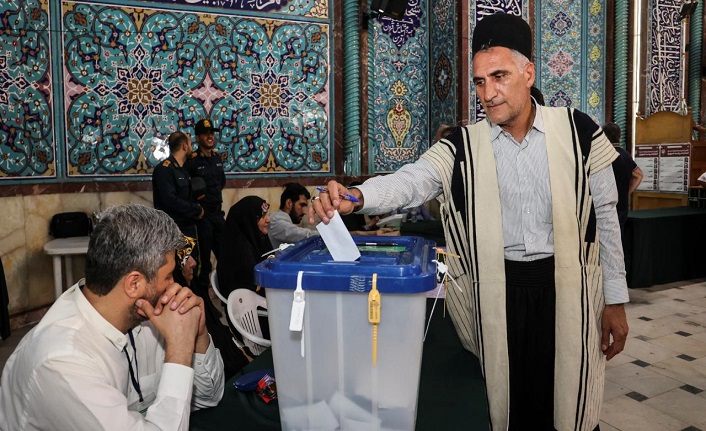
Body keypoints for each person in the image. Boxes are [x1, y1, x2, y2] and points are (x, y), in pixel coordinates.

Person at [311, 13, 629, 431]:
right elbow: (413, 180)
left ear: (528, 72)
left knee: (569, 402)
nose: (489, 93)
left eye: (499, 77)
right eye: (480, 82)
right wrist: (359, 196)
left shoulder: (578, 131)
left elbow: (606, 218)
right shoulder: (463, 145)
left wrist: (616, 300)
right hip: (499, 293)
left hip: (568, 292)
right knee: (512, 407)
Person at [0, 204, 224, 430]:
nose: (174, 286)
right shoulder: (62, 362)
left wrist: (197, 334)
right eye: (167, 277)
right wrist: (179, 347)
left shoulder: (146, 315)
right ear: (134, 283)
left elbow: (208, 397)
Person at [174, 236, 249, 380]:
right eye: (185, 258)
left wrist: (240, 353)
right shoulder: (181, 308)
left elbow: (219, 332)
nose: (193, 262)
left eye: (191, 256)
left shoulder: (194, 289)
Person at [188, 119, 226, 300]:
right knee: (204, 263)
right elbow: (188, 189)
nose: (210, 136)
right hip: (203, 216)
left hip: (218, 214)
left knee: (226, 257)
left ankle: (228, 299)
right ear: (197, 138)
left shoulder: (217, 157)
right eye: (205, 133)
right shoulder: (193, 161)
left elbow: (222, 183)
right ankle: (204, 305)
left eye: (212, 133)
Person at [152, 131, 205, 240]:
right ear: (185, 146)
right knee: (180, 258)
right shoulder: (164, 170)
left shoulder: (183, 170)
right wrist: (196, 209)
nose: (192, 148)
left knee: (192, 258)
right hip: (172, 232)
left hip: (187, 229)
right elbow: (170, 200)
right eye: (190, 144)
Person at [218, 196, 273, 298]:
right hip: (247, 307)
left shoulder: (257, 238)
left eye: (267, 215)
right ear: (249, 221)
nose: (268, 220)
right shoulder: (239, 251)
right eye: (262, 216)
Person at [603, 122, 644, 233]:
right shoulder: (626, 155)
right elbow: (639, 175)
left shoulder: (606, 156)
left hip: (607, 206)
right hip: (622, 205)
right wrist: (627, 192)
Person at [268, 182, 318, 248]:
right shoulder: (276, 221)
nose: (304, 212)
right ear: (289, 203)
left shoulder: (282, 220)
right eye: (301, 205)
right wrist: (329, 235)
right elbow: (304, 236)